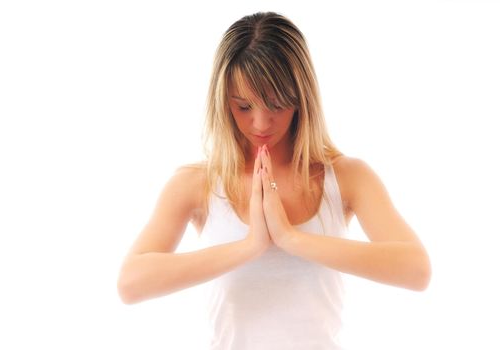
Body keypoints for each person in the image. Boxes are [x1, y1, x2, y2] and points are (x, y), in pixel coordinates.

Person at [116, 11, 431, 349]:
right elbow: (131, 283)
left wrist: (290, 238)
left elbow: (416, 270)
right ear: (223, 102)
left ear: (301, 99)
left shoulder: (348, 178)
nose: (261, 123)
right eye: (243, 106)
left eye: (276, 104)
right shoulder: (197, 183)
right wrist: (250, 245)